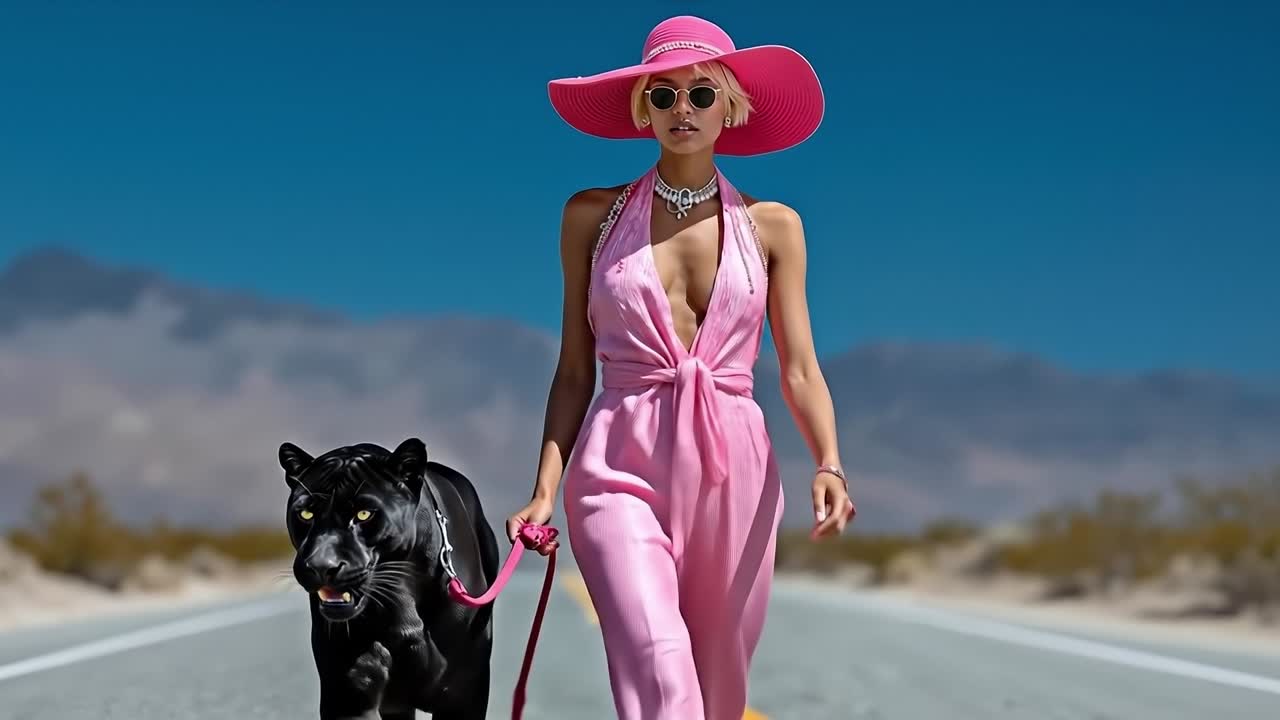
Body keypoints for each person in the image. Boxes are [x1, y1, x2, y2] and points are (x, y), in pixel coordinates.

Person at [505, 14, 855, 720]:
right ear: (643, 111)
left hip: (737, 473)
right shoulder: (591, 218)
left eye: (700, 94)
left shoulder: (775, 226)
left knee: (719, 680)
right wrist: (545, 490)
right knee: (661, 667)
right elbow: (575, 369)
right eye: (662, 97)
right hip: (616, 464)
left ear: (730, 104)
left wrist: (830, 462)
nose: (682, 111)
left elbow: (799, 368)